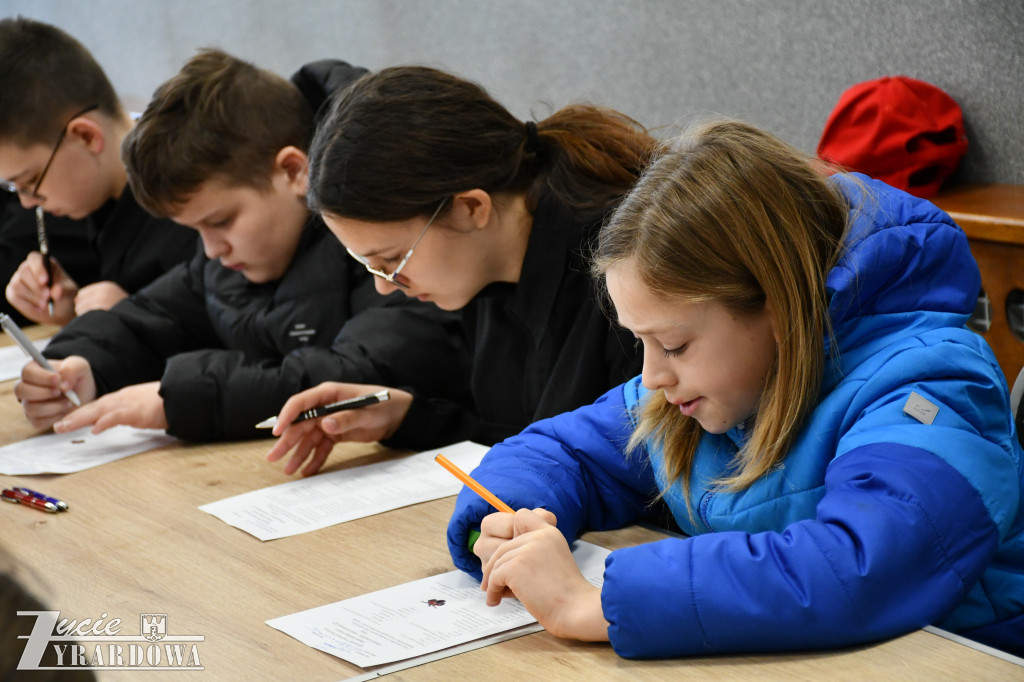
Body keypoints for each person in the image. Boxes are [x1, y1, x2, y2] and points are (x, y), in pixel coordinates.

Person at [445, 119, 1024, 658]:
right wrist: (504, 525)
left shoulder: (931, 385)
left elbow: (859, 567)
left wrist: (594, 604)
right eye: (642, 343)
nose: (651, 376)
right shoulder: (712, 388)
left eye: (673, 344)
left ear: (775, 309)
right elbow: (565, 451)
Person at [13, 49, 468, 443]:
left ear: (293, 172)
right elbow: (149, 319)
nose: (211, 250)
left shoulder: (382, 232)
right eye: (196, 230)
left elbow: (371, 370)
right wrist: (80, 366)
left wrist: (178, 398)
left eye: (221, 221)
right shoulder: (228, 261)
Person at [266, 65, 655, 475]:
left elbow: (631, 476)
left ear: (471, 208)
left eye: (392, 259)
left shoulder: (623, 272)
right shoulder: (486, 276)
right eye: (369, 265)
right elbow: (522, 437)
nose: (384, 288)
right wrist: (408, 417)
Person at [0, 17, 196, 325]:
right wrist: (73, 312)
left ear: (86, 137)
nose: (27, 202)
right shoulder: (104, 202)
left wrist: (138, 322)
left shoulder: (189, 201)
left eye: (32, 180)